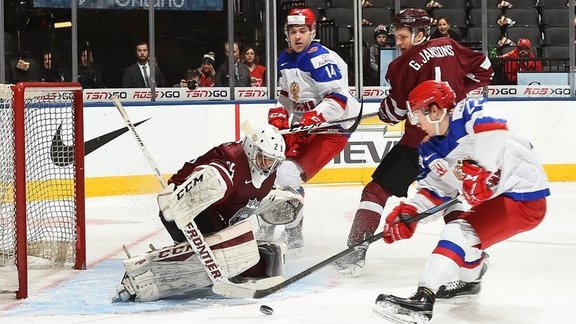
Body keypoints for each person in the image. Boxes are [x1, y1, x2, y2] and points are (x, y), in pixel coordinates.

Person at [373, 80, 549, 323]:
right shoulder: (429, 149)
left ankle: (424, 299)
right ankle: (471, 278)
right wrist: (411, 213)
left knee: (459, 230)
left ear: (434, 110)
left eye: (417, 115)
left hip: (524, 198)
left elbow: (495, 125)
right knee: (465, 241)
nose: (416, 124)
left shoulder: (468, 113)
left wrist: (483, 169)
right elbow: (437, 190)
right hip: (497, 202)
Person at [334, 8, 494, 276]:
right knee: (449, 198)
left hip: (418, 141)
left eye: (403, 36)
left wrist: (385, 112)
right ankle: (474, 252)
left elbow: (394, 112)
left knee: (376, 191)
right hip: (455, 140)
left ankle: (354, 252)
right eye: (397, 36)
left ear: (420, 34)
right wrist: (454, 93)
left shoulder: (401, 65)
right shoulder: (449, 45)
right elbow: (485, 69)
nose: (398, 42)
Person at [115, 124, 295, 302]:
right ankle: (141, 278)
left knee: (261, 253)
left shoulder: (267, 175)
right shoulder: (231, 158)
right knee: (229, 243)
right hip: (184, 205)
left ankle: (201, 262)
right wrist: (190, 195)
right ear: (250, 148)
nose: (268, 166)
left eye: (273, 161)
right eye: (264, 158)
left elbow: (250, 197)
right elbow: (209, 176)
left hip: (219, 218)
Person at [259, 8, 361, 250]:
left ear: (312, 32)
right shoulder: (284, 58)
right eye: (293, 31)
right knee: (268, 166)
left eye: (302, 31)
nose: (297, 36)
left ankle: (293, 235)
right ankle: (265, 228)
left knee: (287, 173)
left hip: (333, 127)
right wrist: (279, 111)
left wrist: (318, 114)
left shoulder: (319, 57)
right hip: (308, 123)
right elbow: (287, 96)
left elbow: (338, 98)